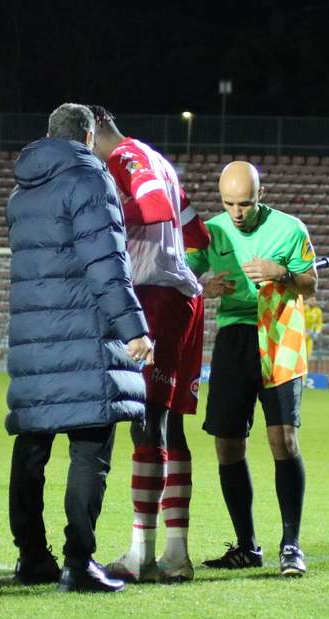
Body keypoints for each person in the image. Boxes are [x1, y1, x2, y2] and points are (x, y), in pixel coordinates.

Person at [4, 102, 154, 593]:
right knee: (90, 451)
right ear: (89, 139)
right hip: (85, 339)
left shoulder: (21, 192)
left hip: (33, 343)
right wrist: (134, 328)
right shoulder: (90, 180)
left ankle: (31, 557)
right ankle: (78, 562)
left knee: (32, 448)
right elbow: (107, 262)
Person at [87, 105, 210, 584]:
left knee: (148, 423)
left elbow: (155, 211)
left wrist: (107, 216)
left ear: (95, 131)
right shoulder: (157, 159)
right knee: (169, 427)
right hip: (180, 297)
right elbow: (196, 230)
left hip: (155, 300)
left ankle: (143, 552)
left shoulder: (127, 159)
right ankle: (176, 552)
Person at [187, 161, 318, 577]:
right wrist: (204, 286)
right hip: (235, 337)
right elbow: (182, 274)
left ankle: (291, 545)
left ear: (261, 195)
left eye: (245, 203)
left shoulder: (290, 229)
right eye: (229, 204)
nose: (237, 212)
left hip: (280, 335)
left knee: (284, 440)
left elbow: (311, 282)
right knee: (227, 444)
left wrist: (281, 273)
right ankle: (246, 545)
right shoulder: (211, 231)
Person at [304, 293, 323, 371]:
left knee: (307, 357)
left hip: (310, 337)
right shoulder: (303, 308)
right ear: (307, 300)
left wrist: (317, 332)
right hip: (301, 336)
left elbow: (319, 323)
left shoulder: (318, 311)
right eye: (311, 300)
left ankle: (304, 379)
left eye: (314, 300)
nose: (313, 302)